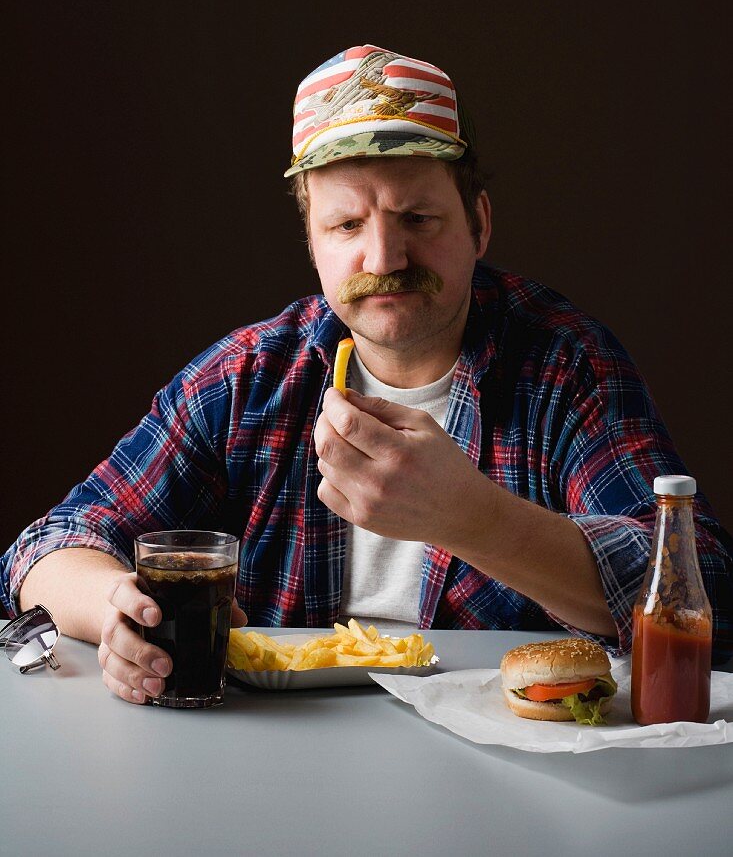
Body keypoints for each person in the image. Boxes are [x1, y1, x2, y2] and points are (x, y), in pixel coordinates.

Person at [2, 43, 731, 705]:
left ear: (478, 224)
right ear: (311, 241)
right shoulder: (250, 376)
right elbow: (51, 543)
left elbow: (706, 592)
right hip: (276, 766)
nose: (382, 258)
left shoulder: (561, 364)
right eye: (347, 225)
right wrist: (116, 613)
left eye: (417, 218)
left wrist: (470, 517)